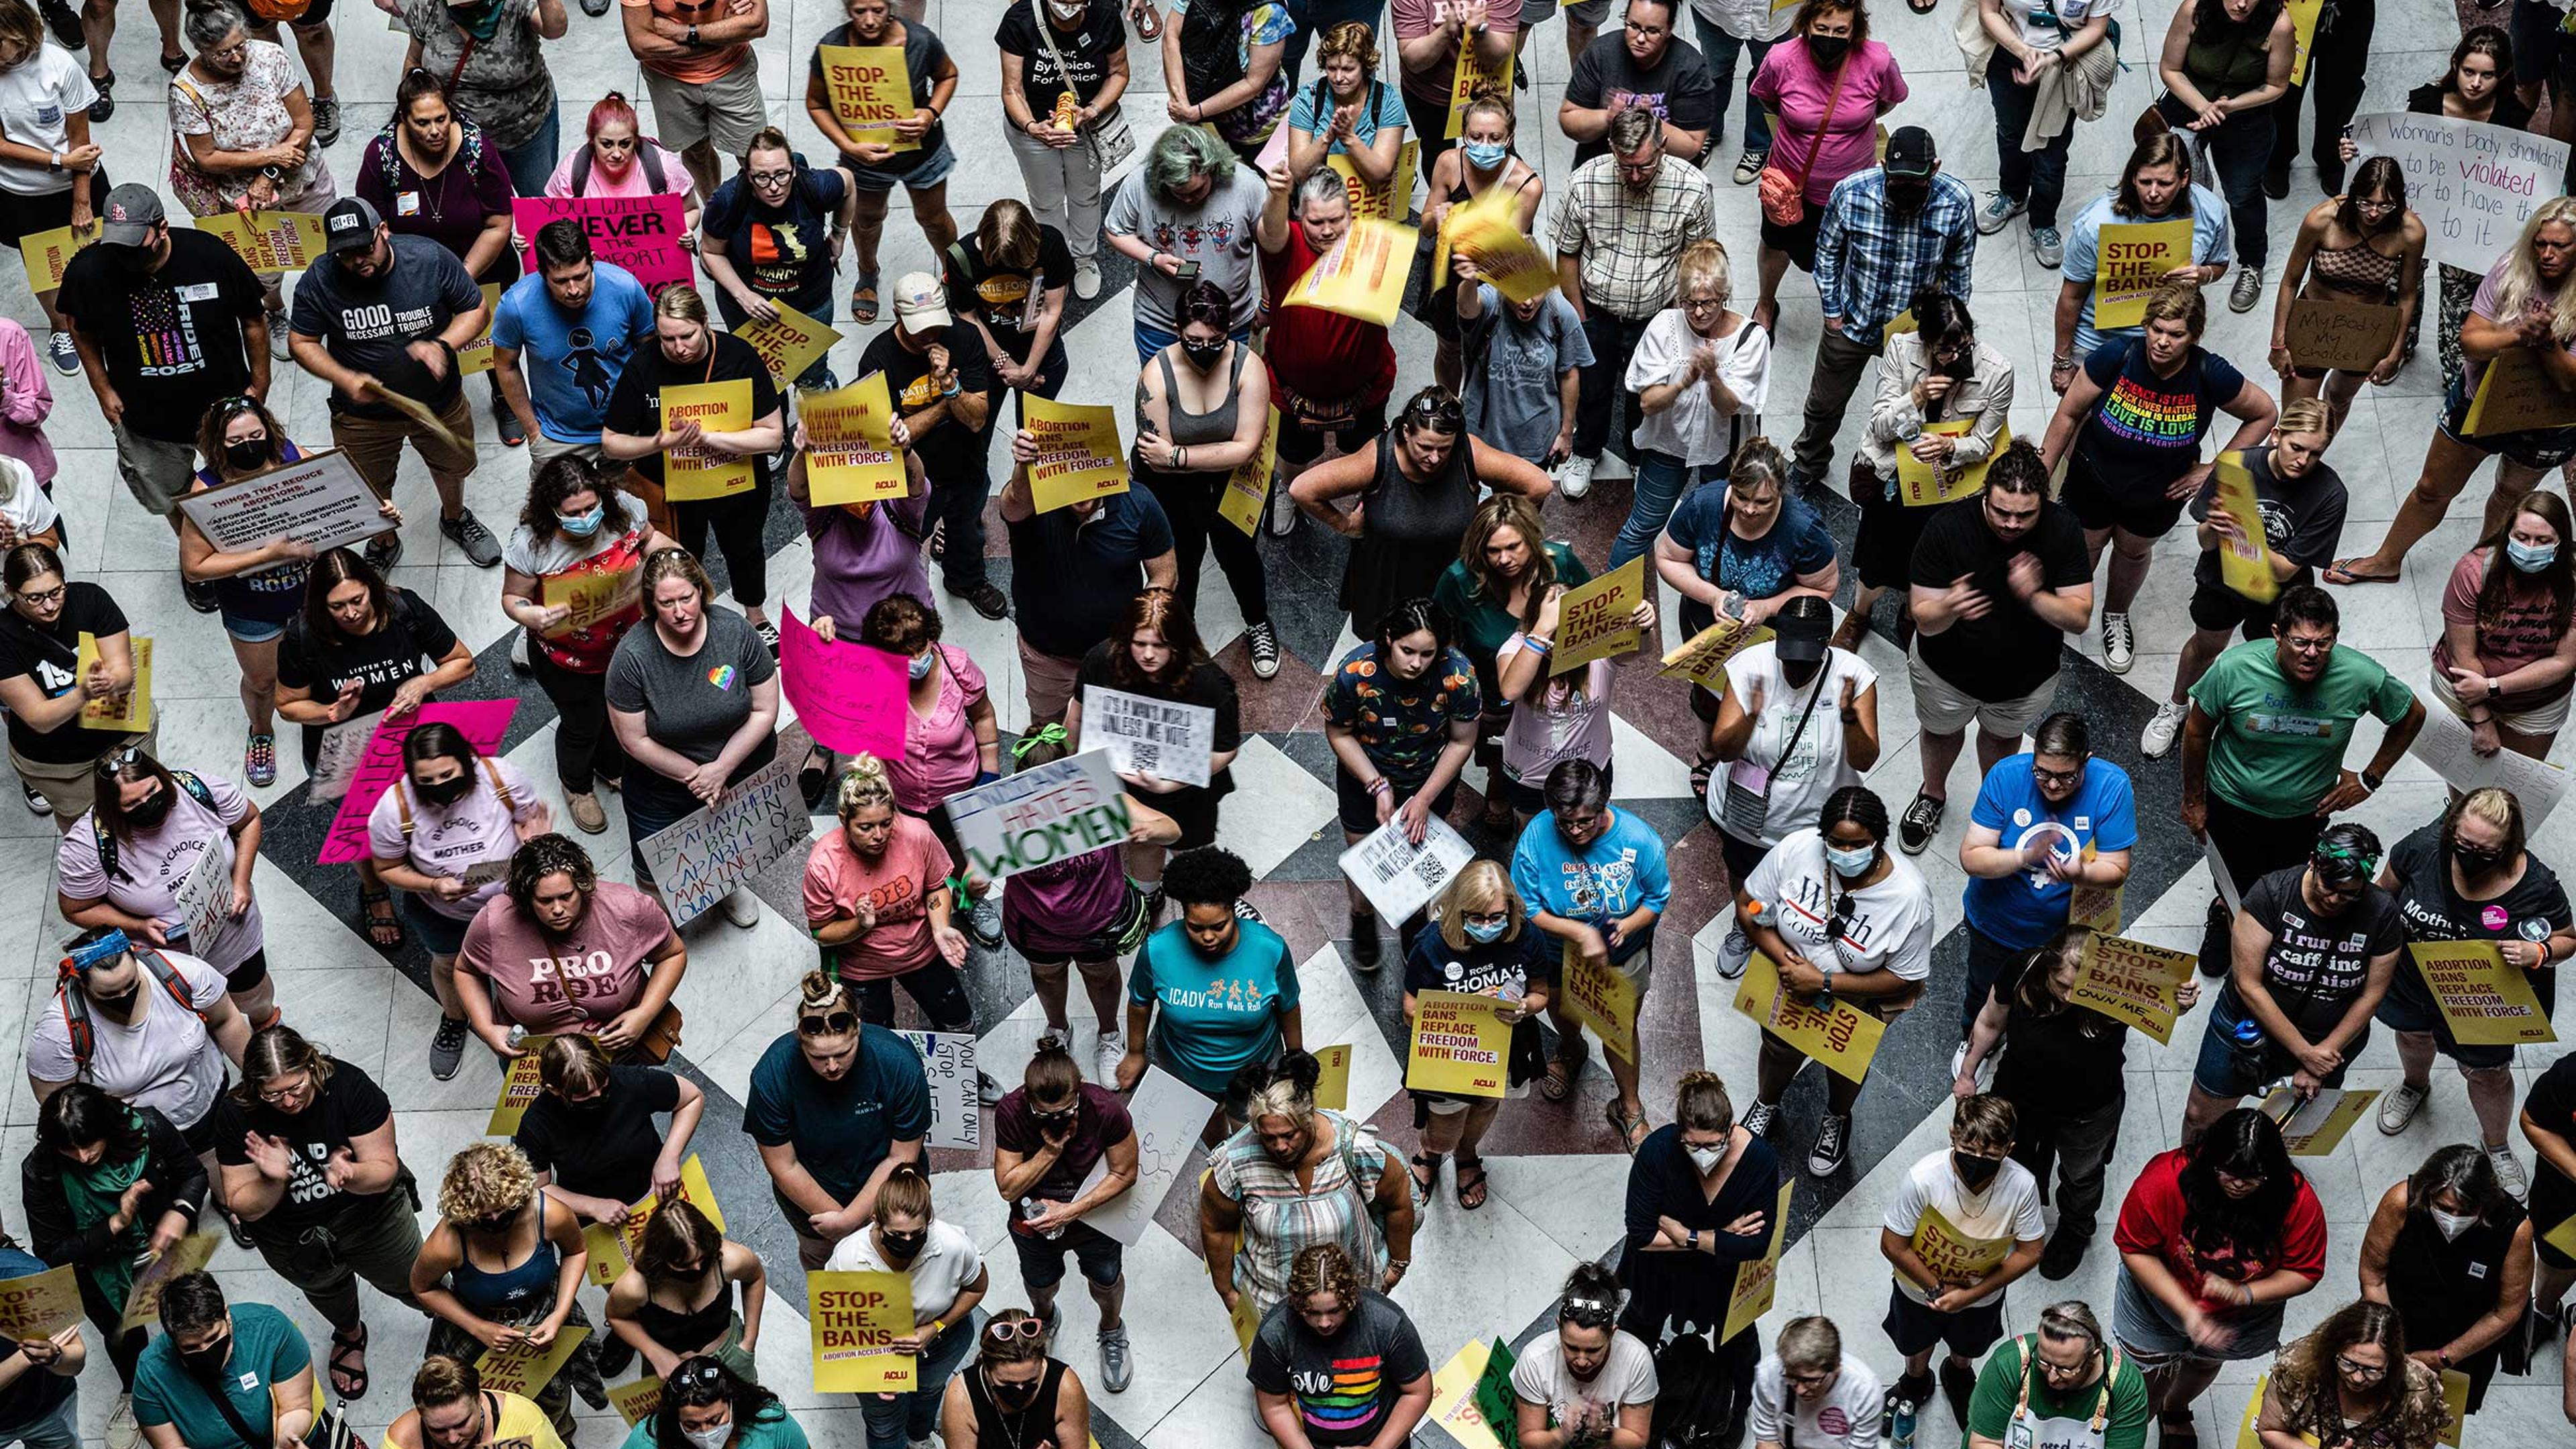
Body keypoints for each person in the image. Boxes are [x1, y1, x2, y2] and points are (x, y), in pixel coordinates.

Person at [2180, 586, 2424, 975]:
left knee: (2292, 884)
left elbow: (2410, 714)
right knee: (2233, 882)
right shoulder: (2234, 668)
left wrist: (2369, 778)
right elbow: (2196, 732)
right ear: (2277, 634)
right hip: (2232, 804)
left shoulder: (2360, 676)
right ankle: (2225, 915)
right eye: (2301, 642)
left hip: (2306, 813)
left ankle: (2273, 932)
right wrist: (2194, 799)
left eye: (2323, 643)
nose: (2312, 654)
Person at [2332, 199, 2576, 586]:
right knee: (2432, 488)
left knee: (2510, 495)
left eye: (2559, 246)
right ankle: (2387, 559)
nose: (2547, 254)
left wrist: (2550, 345)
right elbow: (2470, 342)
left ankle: (2481, 572)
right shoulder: (2513, 269)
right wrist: (2517, 334)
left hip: (2547, 419)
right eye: (2541, 243)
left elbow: (2570, 382)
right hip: (2480, 400)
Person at [2041, 282, 2276, 677]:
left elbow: (2264, 414)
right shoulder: (2117, 356)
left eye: (2176, 334)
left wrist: (2213, 470)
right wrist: (2040, 476)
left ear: (2194, 336)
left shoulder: (2208, 372)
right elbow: (2068, 413)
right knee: (2085, 546)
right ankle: (2063, 613)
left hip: (2157, 493)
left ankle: (2116, 615)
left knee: (2132, 551)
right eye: (2157, 329)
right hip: (2093, 476)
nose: (2163, 342)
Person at [1956, 926, 2199, 1281]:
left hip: (2089, 1110)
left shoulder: (2116, 986)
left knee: (2082, 1175)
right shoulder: (2022, 969)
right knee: (2011, 1159)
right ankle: (2010, 1212)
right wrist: (1968, 1072)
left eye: (2080, 988)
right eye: (2062, 985)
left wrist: (2180, 1002)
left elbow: (2163, 1006)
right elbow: (1991, 1021)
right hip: (2017, 1096)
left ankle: (2075, 1228)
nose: (2070, 996)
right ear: (2047, 969)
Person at [180, 394, 396, 784]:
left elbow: (341, 501)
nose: (248, 444)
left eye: (256, 434)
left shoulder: (294, 458)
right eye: (235, 441)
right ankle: (260, 731)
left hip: (313, 598)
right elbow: (195, 568)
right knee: (263, 681)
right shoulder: (207, 490)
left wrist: (379, 513)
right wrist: (266, 555)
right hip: (252, 606)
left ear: (268, 429)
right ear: (218, 444)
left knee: (325, 666)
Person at [58, 182, 268, 572]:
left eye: (136, 244)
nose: (124, 255)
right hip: (147, 420)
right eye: (117, 244)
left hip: (223, 411)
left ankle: (251, 549)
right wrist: (102, 390)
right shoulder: (89, 272)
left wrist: (260, 384)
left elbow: (253, 320)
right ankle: (198, 556)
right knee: (171, 497)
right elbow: (80, 331)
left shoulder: (209, 256)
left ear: (163, 229)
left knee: (245, 483)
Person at [1899, 443, 2095, 856]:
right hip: (1944, 672)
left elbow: (2079, 617)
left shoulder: (2063, 530)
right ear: (1985, 493)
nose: (2011, 523)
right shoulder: (1947, 527)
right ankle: (1932, 795)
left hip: (2025, 678)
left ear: (2044, 501)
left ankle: (1996, 802)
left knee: (2003, 738)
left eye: (2025, 515)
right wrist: (1951, 605)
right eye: (2000, 511)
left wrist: (2035, 596)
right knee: (1940, 730)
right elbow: (1923, 617)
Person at [2372, 788, 2569, 1193]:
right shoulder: (2423, 849)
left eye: (2485, 849)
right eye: (2462, 843)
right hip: (2413, 979)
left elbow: (2568, 937)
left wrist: (2540, 950)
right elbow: (2381, 895)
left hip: (2483, 1000)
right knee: (2411, 1034)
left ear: (2510, 845)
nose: (2470, 854)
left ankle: (2496, 1145)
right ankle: (2415, 1085)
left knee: (2488, 1074)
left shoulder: (2537, 884)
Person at [289, 196, 500, 569]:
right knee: (367, 483)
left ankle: (455, 517)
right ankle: (384, 540)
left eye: (364, 248)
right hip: (363, 415)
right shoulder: (321, 279)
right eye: (345, 254)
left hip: (438, 402)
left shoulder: (429, 259)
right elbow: (301, 341)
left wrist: (443, 346)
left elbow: (475, 309)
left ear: (383, 231)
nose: (357, 261)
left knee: (451, 466)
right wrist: (344, 377)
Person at [276, 546, 474, 943]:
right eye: (337, 606)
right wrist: (332, 712)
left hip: (411, 741)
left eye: (357, 600)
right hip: (342, 749)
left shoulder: (404, 610)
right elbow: (288, 705)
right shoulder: (302, 637)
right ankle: (375, 889)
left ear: (372, 588)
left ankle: (439, 867)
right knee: (360, 829)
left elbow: (462, 662)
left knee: (433, 803)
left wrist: (424, 682)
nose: (350, 613)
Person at [211, 1024, 419, 1399]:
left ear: (312, 1065)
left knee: (413, 1277)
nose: (288, 1102)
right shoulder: (236, 1112)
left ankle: (449, 1314)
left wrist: (352, 1173)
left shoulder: (349, 1087)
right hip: (291, 1235)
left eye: (296, 1088)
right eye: (273, 1094)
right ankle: (350, 1334)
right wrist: (275, 1179)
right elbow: (243, 1205)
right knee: (326, 1291)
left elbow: (384, 1172)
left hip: (370, 1216)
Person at [1737, 786, 1935, 1175]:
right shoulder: (1796, 850)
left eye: (1858, 844)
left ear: (1879, 839)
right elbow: (1749, 907)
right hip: (1789, 983)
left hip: (1854, 1002)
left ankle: (1837, 1118)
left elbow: (1904, 977)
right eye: (1836, 843)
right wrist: (1788, 963)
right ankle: (1767, 1102)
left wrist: (1824, 982)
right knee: (1777, 1048)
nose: (1846, 853)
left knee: (1845, 1064)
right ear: (1821, 835)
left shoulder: (1910, 898)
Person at [2139, 401, 2347, 759]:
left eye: (2315, 453)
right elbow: (2205, 542)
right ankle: (2175, 706)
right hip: (2222, 578)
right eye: (2296, 447)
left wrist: (2236, 531)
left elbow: (2283, 569)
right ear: (2277, 435)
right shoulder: (2238, 467)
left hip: (2282, 595)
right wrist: (2214, 527)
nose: (2303, 461)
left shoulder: (2330, 494)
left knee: (2274, 657)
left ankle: (2256, 725)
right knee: (2206, 645)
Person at [2112, 1109, 2325, 1447]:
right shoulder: (2165, 1178)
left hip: (2243, 1314)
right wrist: (2188, 1311)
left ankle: (2176, 1407)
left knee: (2206, 1361)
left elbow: (2305, 1270)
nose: (2239, 1183)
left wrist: (2247, 1294)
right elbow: (2135, 1248)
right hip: (2157, 1298)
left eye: (2254, 1176)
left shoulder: (2296, 1201)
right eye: (2228, 1172)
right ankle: (2133, 1425)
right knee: (2145, 1372)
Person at [23, 930, 248, 1240]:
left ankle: (227, 1202)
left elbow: (227, 1021)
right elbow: (59, 1106)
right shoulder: (57, 1034)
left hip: (204, 1101)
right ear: (83, 984)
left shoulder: (182, 973)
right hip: (135, 1137)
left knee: (214, 1160)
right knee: (159, 1202)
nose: (124, 997)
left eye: (131, 984)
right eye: (109, 994)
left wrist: (260, 1081)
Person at [2184, 824, 2404, 1141]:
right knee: (2200, 1117)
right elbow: (2249, 984)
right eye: (2328, 886)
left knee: (2291, 1130)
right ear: (2314, 863)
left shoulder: (2381, 914)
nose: (2334, 899)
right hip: (2246, 1027)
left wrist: (2321, 1058)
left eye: (2349, 894)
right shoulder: (2272, 895)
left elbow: (2370, 996)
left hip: (2328, 1042)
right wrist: (2305, 1054)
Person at [2337, 30, 2527, 392]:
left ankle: (2456, 375)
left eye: (2486, 75)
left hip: (2471, 227)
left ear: (2501, 76)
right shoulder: (2426, 102)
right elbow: (2396, 153)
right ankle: (2397, 349)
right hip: (2420, 213)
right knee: (2401, 283)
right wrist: (2356, 151)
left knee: (2461, 302)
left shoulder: (2510, 116)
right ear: (2455, 66)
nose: (2475, 83)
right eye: (2469, 71)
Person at [1788, 127, 1976, 493]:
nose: (1904, 193)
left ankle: (1901, 475)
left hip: (1917, 333)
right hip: (1853, 323)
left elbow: (1958, 271)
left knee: (1916, 407)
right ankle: (1809, 461)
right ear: (1882, 166)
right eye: (1896, 183)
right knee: (1824, 404)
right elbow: (1826, 253)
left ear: (1934, 169)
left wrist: (1948, 334)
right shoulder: (1851, 192)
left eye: (1914, 185)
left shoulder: (1956, 202)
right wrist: (1832, 311)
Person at [1547, 104, 1715, 499]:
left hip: (1658, 314)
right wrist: (1579, 316)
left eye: (1644, 166)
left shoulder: (1692, 188)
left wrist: (1681, 321)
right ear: (1611, 149)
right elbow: (1568, 253)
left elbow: (1698, 260)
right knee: (1592, 386)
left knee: (1646, 392)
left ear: (1663, 147)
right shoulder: (1585, 182)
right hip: (1596, 309)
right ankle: (1586, 451)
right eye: (1626, 167)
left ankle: (1639, 456)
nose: (1635, 176)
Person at [600, 286, 785, 639]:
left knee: (745, 549)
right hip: (673, 492)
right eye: (667, 338)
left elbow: (773, 436)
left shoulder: (737, 356)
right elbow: (611, 443)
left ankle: (757, 617)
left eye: (687, 336)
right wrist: (655, 442)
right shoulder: (643, 364)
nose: (678, 347)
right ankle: (692, 623)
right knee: (679, 561)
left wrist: (710, 438)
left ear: (705, 323)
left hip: (736, 482)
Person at [501, 457, 674, 833]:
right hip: (567, 659)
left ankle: (612, 765)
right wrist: (530, 616)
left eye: (591, 507)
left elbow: (649, 540)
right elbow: (513, 598)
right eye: (573, 512)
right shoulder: (533, 544)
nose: (585, 517)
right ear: (551, 510)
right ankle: (577, 786)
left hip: (626, 645)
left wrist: (674, 562)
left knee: (623, 710)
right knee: (583, 725)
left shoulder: (623, 509)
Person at [607, 549, 780, 924]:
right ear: (652, 605)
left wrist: (721, 770)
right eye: (666, 603)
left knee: (729, 837)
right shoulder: (632, 658)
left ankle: (726, 885)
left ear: (701, 591)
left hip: (739, 766)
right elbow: (634, 740)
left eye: (686, 598)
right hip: (661, 784)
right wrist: (699, 778)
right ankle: (660, 920)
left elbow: (765, 709)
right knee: (654, 865)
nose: (679, 611)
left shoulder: (733, 631)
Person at [368, 722, 549, 1078]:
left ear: (467, 760)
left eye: (447, 775)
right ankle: (455, 1018)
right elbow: (387, 868)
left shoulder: (501, 777)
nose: (439, 787)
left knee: (524, 963)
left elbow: (530, 820)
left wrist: (534, 838)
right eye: (427, 780)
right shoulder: (394, 808)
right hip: (442, 912)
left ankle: (529, 1020)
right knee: (450, 966)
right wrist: (431, 885)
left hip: (513, 902)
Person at [1838, 289, 2015, 653]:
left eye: (1962, 347)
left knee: (1930, 561)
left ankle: (1910, 613)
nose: (1953, 358)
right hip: (1896, 478)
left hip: (1948, 485)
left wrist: (1952, 447)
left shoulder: (1997, 371)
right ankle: (1859, 613)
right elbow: (1879, 428)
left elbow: (1983, 443)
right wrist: (1915, 398)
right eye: (1943, 350)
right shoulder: (1901, 351)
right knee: (1877, 558)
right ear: (1926, 341)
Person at [1710, 596, 1879, 974]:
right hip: (1750, 816)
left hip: (1814, 820)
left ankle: (1791, 931)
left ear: (1825, 646)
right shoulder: (1750, 667)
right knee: (1748, 881)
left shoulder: (1854, 676)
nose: (1796, 671)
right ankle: (1749, 924)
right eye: (1790, 658)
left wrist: (1850, 719)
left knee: (1809, 885)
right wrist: (1750, 716)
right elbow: (1722, 749)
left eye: (1808, 661)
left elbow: (1865, 760)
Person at [355, 72, 523, 446]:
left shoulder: (475, 147)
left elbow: (499, 222)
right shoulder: (382, 156)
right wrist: (420, 279)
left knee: (491, 338)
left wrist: (459, 277)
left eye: (441, 119)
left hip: (482, 264)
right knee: (432, 344)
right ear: (403, 119)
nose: (435, 130)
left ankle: (504, 396)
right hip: (412, 276)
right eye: (423, 122)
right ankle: (442, 404)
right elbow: (376, 228)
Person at [1513, 759, 1671, 1149]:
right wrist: (1579, 932)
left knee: (1619, 1030)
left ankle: (1630, 1106)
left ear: (1605, 806)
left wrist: (1625, 927)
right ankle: (1571, 1048)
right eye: (1565, 823)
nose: (1575, 831)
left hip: (1620, 955)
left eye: (1586, 822)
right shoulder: (1537, 835)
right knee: (1562, 1008)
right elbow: (1527, 905)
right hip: (1554, 951)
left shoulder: (1639, 840)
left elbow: (1657, 897)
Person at [1295, 388, 1552, 627]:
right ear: (1406, 433)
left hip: (1450, 570)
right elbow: (1303, 489)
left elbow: (1538, 485)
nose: (1435, 458)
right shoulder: (1377, 459)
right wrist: (1346, 524)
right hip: (1389, 575)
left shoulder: (1467, 452)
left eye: (1444, 449)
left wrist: (1490, 523)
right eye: (1425, 447)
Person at [58, 746, 274, 1027]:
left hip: (235, 937)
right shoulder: (90, 844)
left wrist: (240, 881)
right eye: (133, 804)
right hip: (170, 962)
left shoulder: (196, 789)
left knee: (255, 996)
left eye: (152, 791)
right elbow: (76, 909)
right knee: (193, 1019)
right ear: (113, 809)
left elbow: (249, 821)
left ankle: (266, 1023)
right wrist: (137, 925)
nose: (148, 803)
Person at [1323, 599, 1483, 965]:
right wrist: (1376, 785)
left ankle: (1414, 923)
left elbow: (1462, 740)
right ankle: (1361, 916)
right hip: (1365, 775)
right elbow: (1339, 732)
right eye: (1407, 651)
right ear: (1389, 639)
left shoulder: (1458, 676)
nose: (1416, 663)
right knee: (1366, 861)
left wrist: (1424, 799)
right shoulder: (1355, 674)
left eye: (1427, 654)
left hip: (1430, 778)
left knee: (1414, 858)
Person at [1954, 713, 2136, 1030]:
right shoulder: (2006, 776)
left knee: (2054, 997)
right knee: (1984, 990)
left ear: (2086, 761)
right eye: (2042, 773)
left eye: (2066, 776)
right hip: (1996, 923)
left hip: (2064, 934)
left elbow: (2117, 868)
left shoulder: (2111, 785)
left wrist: (2082, 874)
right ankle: (1974, 1037)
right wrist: (2025, 855)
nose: (2052, 784)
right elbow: (1972, 857)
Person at [20, 1083, 199, 1406]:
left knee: (186, 1309)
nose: (83, 1156)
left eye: (88, 1144)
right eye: (70, 1150)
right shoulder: (40, 1172)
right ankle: (136, 1392)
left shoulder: (149, 1129)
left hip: (165, 1248)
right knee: (123, 1336)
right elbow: (52, 1252)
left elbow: (193, 1174)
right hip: (98, 1270)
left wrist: (180, 1211)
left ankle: (196, 1368)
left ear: (106, 1126)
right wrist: (115, 1224)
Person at [1128, 282, 1275, 671]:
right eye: (1195, 338)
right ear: (1178, 330)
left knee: (1240, 553)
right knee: (1183, 560)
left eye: (1216, 339)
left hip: (1233, 478)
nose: (1205, 347)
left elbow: (1246, 447)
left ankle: (1257, 620)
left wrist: (1178, 454)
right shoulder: (1156, 376)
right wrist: (1196, 458)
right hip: (1175, 488)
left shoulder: (1248, 366)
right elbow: (1154, 461)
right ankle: (1183, 635)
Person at [410, 1143, 602, 1440]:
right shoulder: (448, 1240)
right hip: (477, 1323)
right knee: (478, 1400)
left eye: (505, 1210)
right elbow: (422, 1288)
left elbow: (576, 1251)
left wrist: (560, 1314)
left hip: (544, 1310)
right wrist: (479, 1328)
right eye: (484, 1218)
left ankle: (557, 1436)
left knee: (554, 1389)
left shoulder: (548, 1212)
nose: (497, 1221)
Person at [1618, 1071, 1779, 1422]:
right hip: (1660, 1271)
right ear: (1679, 1133)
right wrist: (1719, 1238)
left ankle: (1737, 1408)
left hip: (1723, 1278)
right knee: (1640, 1322)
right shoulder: (1658, 1153)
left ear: (1731, 1128)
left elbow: (1756, 1245)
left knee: (1737, 1341)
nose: (1703, 1154)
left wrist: (1686, 1235)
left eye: (1713, 1144)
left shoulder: (1761, 1161)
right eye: (1693, 1145)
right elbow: (1642, 1234)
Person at [168, 0, 333, 343]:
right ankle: (275, 311)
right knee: (265, 269)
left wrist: (268, 174)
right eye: (223, 53)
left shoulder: (270, 57)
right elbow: (207, 158)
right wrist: (270, 156)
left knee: (329, 242)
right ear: (200, 50)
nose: (238, 58)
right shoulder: (186, 92)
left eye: (240, 45)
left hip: (302, 177)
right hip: (245, 202)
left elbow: (303, 123)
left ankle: (336, 299)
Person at [742, 971, 930, 1270]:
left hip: (892, 1193)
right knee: (823, 1260)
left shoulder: (898, 1063)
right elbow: (784, 1166)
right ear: (800, 1041)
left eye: (843, 1053)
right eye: (817, 1057)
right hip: (813, 1205)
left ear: (858, 1029)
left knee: (901, 1260)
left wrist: (850, 1221)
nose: (831, 1067)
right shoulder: (772, 1074)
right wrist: (841, 1226)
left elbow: (901, 1156)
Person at [1878, 1095, 2046, 1426]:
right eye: (1969, 1149)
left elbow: (2031, 1251)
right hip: (1917, 1291)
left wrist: (1969, 1296)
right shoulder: (1923, 1178)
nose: (1978, 1160)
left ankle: (1958, 1376)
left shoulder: (2022, 1186)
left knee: (1968, 1346)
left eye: (1991, 1154)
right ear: (1953, 1135)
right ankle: (1915, 1379)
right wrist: (1937, 1290)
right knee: (1913, 1342)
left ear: (2008, 1149)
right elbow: (1893, 1245)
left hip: (1982, 1295)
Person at [998, 427, 1179, 735]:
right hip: (1046, 654)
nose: (1081, 495)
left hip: (1115, 654)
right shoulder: (1035, 503)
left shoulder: (1138, 504)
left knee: (1112, 723)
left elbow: (1165, 574)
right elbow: (1015, 501)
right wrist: (1024, 465)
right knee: (1046, 722)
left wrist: (1138, 629)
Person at [1203, 1055, 1414, 1317]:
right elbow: (1217, 1228)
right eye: (1268, 1137)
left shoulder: (1354, 1149)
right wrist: (1227, 1292)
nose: (1280, 1146)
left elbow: (1399, 1201)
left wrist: (1396, 1267)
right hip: (1274, 1303)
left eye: (1289, 1135)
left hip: (1351, 1292)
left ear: (1308, 1119)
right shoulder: (1235, 1163)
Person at [1654, 437, 1839, 733]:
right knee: (1707, 693)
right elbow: (1667, 558)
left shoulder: (1802, 529)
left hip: (1769, 636)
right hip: (1706, 628)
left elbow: (1823, 587)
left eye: (1763, 501)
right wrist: (1713, 596)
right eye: (1741, 497)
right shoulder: (1704, 505)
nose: (1750, 509)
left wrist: (1766, 607)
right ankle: (1706, 747)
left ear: (1780, 492)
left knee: (1761, 699)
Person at [1069, 590, 1242, 904]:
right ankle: (1146, 896)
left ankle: (1212, 903)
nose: (1148, 654)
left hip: (1187, 794)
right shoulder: (1101, 660)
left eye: (1160, 646)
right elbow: (1077, 715)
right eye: (1140, 644)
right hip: (1121, 783)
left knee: (1190, 852)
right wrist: (1076, 768)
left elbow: (1226, 749)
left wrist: (1169, 784)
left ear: (1179, 643)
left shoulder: (1211, 684)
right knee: (1141, 842)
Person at [1746, 0, 1907, 333]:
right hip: (1790, 186)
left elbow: (1889, 100)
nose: (1830, 37)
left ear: (1855, 30)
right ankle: (1765, 304)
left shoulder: (1877, 60)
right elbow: (1767, 97)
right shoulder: (1781, 58)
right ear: (1806, 25)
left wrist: (1853, 121)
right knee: (1776, 244)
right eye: (1822, 29)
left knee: (1849, 252)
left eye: (1840, 31)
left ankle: (1840, 307)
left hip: (1852, 192)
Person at [459, 831, 688, 1063]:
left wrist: (645, 1013)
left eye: (566, 896)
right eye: (545, 901)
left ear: (582, 887)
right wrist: (486, 1029)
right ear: (527, 898)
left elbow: (672, 954)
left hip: (617, 1050)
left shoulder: (627, 908)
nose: (558, 909)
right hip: (535, 1058)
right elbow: (466, 970)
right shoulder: (496, 922)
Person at [1401, 862, 1554, 1210]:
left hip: (1502, 1048)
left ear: (1511, 909)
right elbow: (1410, 1010)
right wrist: (1467, 1007)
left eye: (1496, 917)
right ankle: (1431, 1152)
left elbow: (1541, 993)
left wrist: (1524, 1006)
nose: (1488, 926)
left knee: (1487, 1104)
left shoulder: (1526, 936)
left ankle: (1468, 1153)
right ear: (1459, 910)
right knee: (1442, 1127)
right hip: (1449, 1052)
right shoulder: (1432, 945)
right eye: (1477, 918)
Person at [1434, 496, 1591, 831]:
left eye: (1514, 547)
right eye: (1493, 551)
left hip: (1560, 687)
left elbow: (1593, 607)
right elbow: (1442, 634)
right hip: (1494, 693)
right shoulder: (1459, 579)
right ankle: (1498, 787)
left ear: (1531, 538)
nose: (1504, 559)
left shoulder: (1560, 562)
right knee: (1498, 751)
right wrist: (1461, 688)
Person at [1260, 167, 1397, 549]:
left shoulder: (1374, 246)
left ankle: (1372, 496)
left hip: (1365, 386)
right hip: (1292, 386)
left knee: (1366, 449)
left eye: (1336, 220)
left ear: (1352, 216)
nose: (1325, 230)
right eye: (1315, 221)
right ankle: (1289, 489)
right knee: (1292, 452)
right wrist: (1277, 194)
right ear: (1299, 218)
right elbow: (1269, 233)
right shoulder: (1287, 248)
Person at [991, 1034, 1136, 1383]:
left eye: (1067, 1111)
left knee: (1105, 1279)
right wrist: (1050, 1152)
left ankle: (1112, 1328)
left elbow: (1125, 1172)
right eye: (1044, 1113)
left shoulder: (1105, 1108)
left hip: (1096, 1220)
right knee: (1040, 1284)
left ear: (1080, 1090)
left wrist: (1071, 1211)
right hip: (1033, 1225)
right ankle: (1044, 1317)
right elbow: (1008, 1186)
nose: (1056, 1119)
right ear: (1028, 1097)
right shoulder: (1011, 1111)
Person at [859, 274, 1005, 621]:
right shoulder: (877, 360)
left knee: (968, 528)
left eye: (936, 324)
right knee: (902, 543)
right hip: (911, 477)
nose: (930, 334)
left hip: (966, 464)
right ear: (896, 314)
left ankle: (966, 580)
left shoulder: (965, 338)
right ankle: (900, 597)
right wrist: (945, 404)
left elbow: (976, 419)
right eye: (920, 327)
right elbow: (890, 438)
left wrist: (949, 384)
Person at [1004, 798, 1181, 1083]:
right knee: (1047, 976)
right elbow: (977, 863)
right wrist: (973, 881)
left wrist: (1145, 833)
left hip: (1100, 925)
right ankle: (1058, 1030)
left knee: (1100, 976)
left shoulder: (1099, 794)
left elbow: (1171, 830)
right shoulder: (1005, 810)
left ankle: (1109, 1034)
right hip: (1034, 926)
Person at [1116, 846, 1300, 1116]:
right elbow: (1140, 1002)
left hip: (1255, 1073)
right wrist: (1135, 1052)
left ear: (1234, 913)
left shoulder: (1270, 950)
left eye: (1219, 926)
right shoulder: (1158, 950)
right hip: (1182, 1070)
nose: (1208, 937)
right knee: (1203, 1127)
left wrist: (1295, 1058)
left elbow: (1288, 1006)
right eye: (1196, 927)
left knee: (1251, 1129)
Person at [1617, 238, 1767, 567]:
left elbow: (1731, 407)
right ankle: (1610, 598)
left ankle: (1703, 599)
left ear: (1724, 296)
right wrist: (1684, 381)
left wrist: (1713, 377)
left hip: (1723, 450)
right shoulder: (1664, 326)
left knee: (1717, 529)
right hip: (1668, 443)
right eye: (1689, 303)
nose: (1698, 312)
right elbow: (1648, 404)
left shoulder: (1751, 339)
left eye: (1709, 303)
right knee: (1643, 525)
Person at [803, 752, 976, 1032]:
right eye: (865, 827)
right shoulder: (824, 864)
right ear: (843, 820)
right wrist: (859, 925)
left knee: (958, 1025)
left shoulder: (917, 834)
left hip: (922, 952)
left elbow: (935, 888)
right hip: (862, 969)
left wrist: (941, 927)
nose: (879, 835)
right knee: (877, 1036)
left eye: (886, 823)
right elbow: (821, 931)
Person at [2051, 133, 2235, 391]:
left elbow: (2219, 265)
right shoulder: (2096, 223)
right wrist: (2062, 361)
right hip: (2098, 341)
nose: (2153, 193)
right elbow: (2071, 297)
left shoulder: (2210, 211)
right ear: (2132, 177)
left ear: (2184, 179)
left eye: (2164, 183)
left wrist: (2204, 274)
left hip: (2163, 343)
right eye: (2145, 182)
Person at [2359, 1144, 2532, 1415]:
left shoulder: (2514, 1230)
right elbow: (2374, 1277)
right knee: (2370, 1396)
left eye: (2465, 1212)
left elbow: (2506, 1312)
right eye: (2444, 1208)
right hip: (2393, 1319)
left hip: (2464, 1344)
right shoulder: (2401, 1202)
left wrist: (2443, 1357)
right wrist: (2392, 1342)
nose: (2453, 1219)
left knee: (2434, 1415)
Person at [824, 1167, 987, 1449]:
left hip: (941, 1343)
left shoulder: (953, 1246)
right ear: (876, 1220)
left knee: (929, 1392)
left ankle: (918, 1437)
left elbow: (977, 1287)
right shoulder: (848, 1257)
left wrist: (936, 1327)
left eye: (918, 1233)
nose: (909, 1242)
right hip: (876, 1352)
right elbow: (833, 1322)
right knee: (884, 1427)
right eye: (898, 1234)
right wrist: (866, 1373)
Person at [2153, 0, 2292, 313]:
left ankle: (2251, 264)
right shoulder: (2194, 9)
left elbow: (2277, 85)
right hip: (2187, 105)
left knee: (2243, 194)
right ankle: (2162, 259)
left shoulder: (2279, 25)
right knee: (2167, 185)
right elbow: (2170, 68)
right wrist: (2205, 107)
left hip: (2245, 116)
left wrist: (2230, 106)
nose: (2241, 4)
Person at [2268, 160, 2420, 440]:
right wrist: (2279, 342)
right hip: (2315, 321)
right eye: (2365, 203)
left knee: (2339, 398)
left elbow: (2407, 294)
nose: (2373, 212)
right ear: (2353, 194)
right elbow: (2290, 281)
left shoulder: (2410, 232)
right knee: (2297, 415)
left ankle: (2314, 458)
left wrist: (2395, 350)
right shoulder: (2322, 219)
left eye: (2384, 205)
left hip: (2366, 328)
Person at [0, 543, 148, 828]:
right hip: (57, 760)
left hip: (120, 734)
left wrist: (112, 679)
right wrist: (83, 693)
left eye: (56, 591)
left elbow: (123, 672)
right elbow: (39, 718)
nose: (50, 605)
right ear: (10, 592)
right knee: (81, 821)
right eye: (34, 598)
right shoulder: (5, 637)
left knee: (142, 803)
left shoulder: (90, 599)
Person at [494, 221, 656, 479]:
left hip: (626, 428)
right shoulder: (516, 306)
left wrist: (646, 414)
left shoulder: (624, 287)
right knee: (560, 513)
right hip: (557, 435)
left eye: (581, 276)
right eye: (560, 281)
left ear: (592, 261)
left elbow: (649, 347)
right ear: (541, 272)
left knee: (629, 510)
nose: (573, 290)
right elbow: (505, 364)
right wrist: (533, 431)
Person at [1487, 578, 1654, 826]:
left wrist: (1644, 627)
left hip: (1588, 773)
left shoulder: (1600, 649)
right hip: (1529, 776)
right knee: (1533, 830)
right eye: (1553, 629)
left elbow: (1642, 648)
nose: (1561, 639)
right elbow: (1511, 690)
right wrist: (1541, 633)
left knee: (1587, 829)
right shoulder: (1517, 647)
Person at [2424, 490, 2576, 765]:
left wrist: (2492, 687)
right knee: (2462, 772)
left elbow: (2565, 660)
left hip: (2537, 702)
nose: (2530, 547)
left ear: (2560, 543)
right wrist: (2481, 718)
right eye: (2521, 537)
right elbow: (2463, 655)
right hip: (2464, 687)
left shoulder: (2573, 580)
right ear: (2508, 534)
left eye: (2542, 540)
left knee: (2514, 785)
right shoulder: (2474, 571)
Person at [696, 129, 853, 389]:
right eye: (761, 177)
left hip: (811, 301)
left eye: (782, 175)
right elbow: (712, 252)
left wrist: (839, 234)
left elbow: (848, 182)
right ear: (748, 175)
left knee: (813, 373)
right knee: (760, 376)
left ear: (793, 170)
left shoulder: (813, 185)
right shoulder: (727, 200)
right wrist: (744, 296)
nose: (773, 187)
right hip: (748, 307)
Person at [995, 0, 1128, 301]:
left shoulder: (1105, 16)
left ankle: (1083, 259)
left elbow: (1118, 72)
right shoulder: (1021, 19)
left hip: (1085, 129)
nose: (1067, 6)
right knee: (1046, 201)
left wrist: (1092, 110)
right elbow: (1012, 89)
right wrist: (1032, 127)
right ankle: (1055, 256)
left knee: (1086, 195)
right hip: (1033, 133)